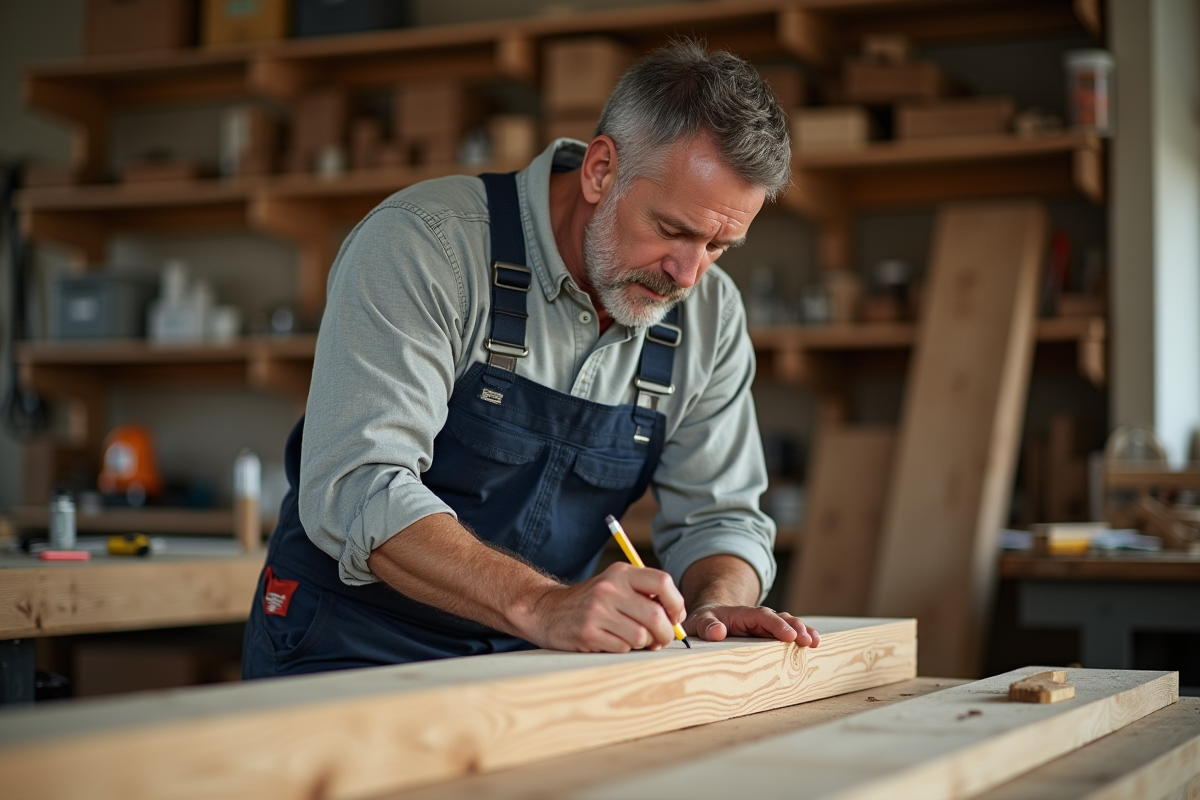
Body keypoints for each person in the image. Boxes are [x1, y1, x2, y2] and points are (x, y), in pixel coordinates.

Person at [243, 40, 820, 679]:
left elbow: (723, 516)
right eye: (674, 230)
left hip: (527, 660)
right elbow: (358, 484)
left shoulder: (710, 315)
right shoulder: (424, 246)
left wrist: (718, 603)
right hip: (349, 645)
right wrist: (542, 603)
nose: (687, 274)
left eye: (719, 246)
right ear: (601, 169)